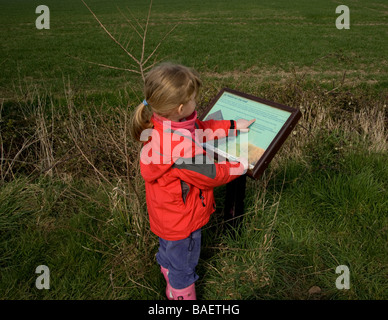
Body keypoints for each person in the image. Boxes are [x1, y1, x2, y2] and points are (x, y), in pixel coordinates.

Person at [131, 62, 255, 300]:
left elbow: (202, 129)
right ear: (180, 107)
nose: (196, 103)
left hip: (165, 215)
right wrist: (238, 166)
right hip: (182, 223)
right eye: (194, 99)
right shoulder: (182, 149)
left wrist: (231, 126)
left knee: (168, 252)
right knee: (185, 266)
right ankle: (181, 293)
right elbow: (212, 175)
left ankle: (168, 275)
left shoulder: (162, 126)